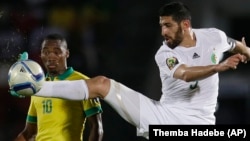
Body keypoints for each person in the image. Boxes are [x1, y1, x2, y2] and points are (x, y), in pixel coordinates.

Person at [11, 1, 250, 139]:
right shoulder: (165, 53)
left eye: (168, 26)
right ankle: (39, 86)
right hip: (164, 116)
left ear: (185, 25)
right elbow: (184, 73)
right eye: (160, 26)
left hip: (200, 125)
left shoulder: (215, 37)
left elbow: (236, 44)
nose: (163, 32)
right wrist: (218, 66)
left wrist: (246, 52)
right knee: (102, 84)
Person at [14, 34, 103, 141]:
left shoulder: (83, 83)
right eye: (46, 52)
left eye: (57, 52)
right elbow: (29, 132)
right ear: (41, 55)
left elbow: (96, 127)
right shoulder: (38, 87)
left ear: (67, 53)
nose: (51, 57)